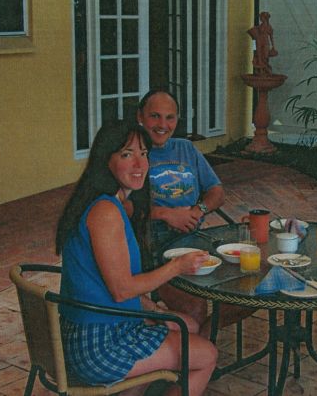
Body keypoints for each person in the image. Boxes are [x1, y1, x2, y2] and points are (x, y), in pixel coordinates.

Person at [56, 120, 217, 395]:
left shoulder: (101, 201)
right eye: (127, 155)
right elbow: (121, 289)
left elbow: (104, 284)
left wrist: (156, 312)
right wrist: (177, 266)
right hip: (97, 343)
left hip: (89, 326)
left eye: (143, 154)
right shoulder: (105, 212)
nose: (140, 164)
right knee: (207, 356)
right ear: (106, 160)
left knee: (188, 324)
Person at [136, 89, 254, 337]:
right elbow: (120, 206)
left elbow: (217, 192)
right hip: (153, 253)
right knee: (194, 309)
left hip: (194, 244)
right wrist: (165, 214)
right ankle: (193, 352)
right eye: (155, 116)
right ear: (140, 117)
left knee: (249, 291)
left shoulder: (185, 149)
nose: (162, 125)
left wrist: (198, 210)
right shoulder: (132, 151)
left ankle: (202, 340)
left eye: (170, 118)